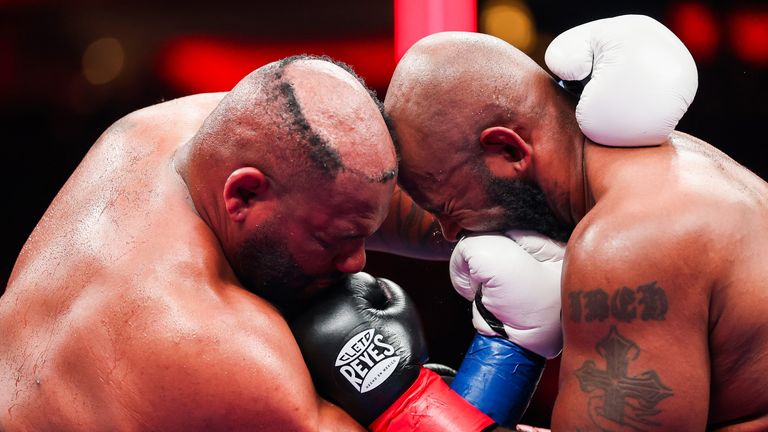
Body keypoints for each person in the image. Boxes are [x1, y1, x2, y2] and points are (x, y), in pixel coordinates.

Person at [383, 29, 768, 431]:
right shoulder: (667, 167)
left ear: (509, 150)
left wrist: (425, 417)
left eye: (446, 209)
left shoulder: (627, 243)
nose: (448, 233)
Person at [0, 55, 401, 430]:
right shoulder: (208, 341)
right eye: (334, 240)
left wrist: (448, 218)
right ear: (244, 195)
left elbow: (352, 202)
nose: (357, 263)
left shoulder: (161, 127)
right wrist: (409, 392)